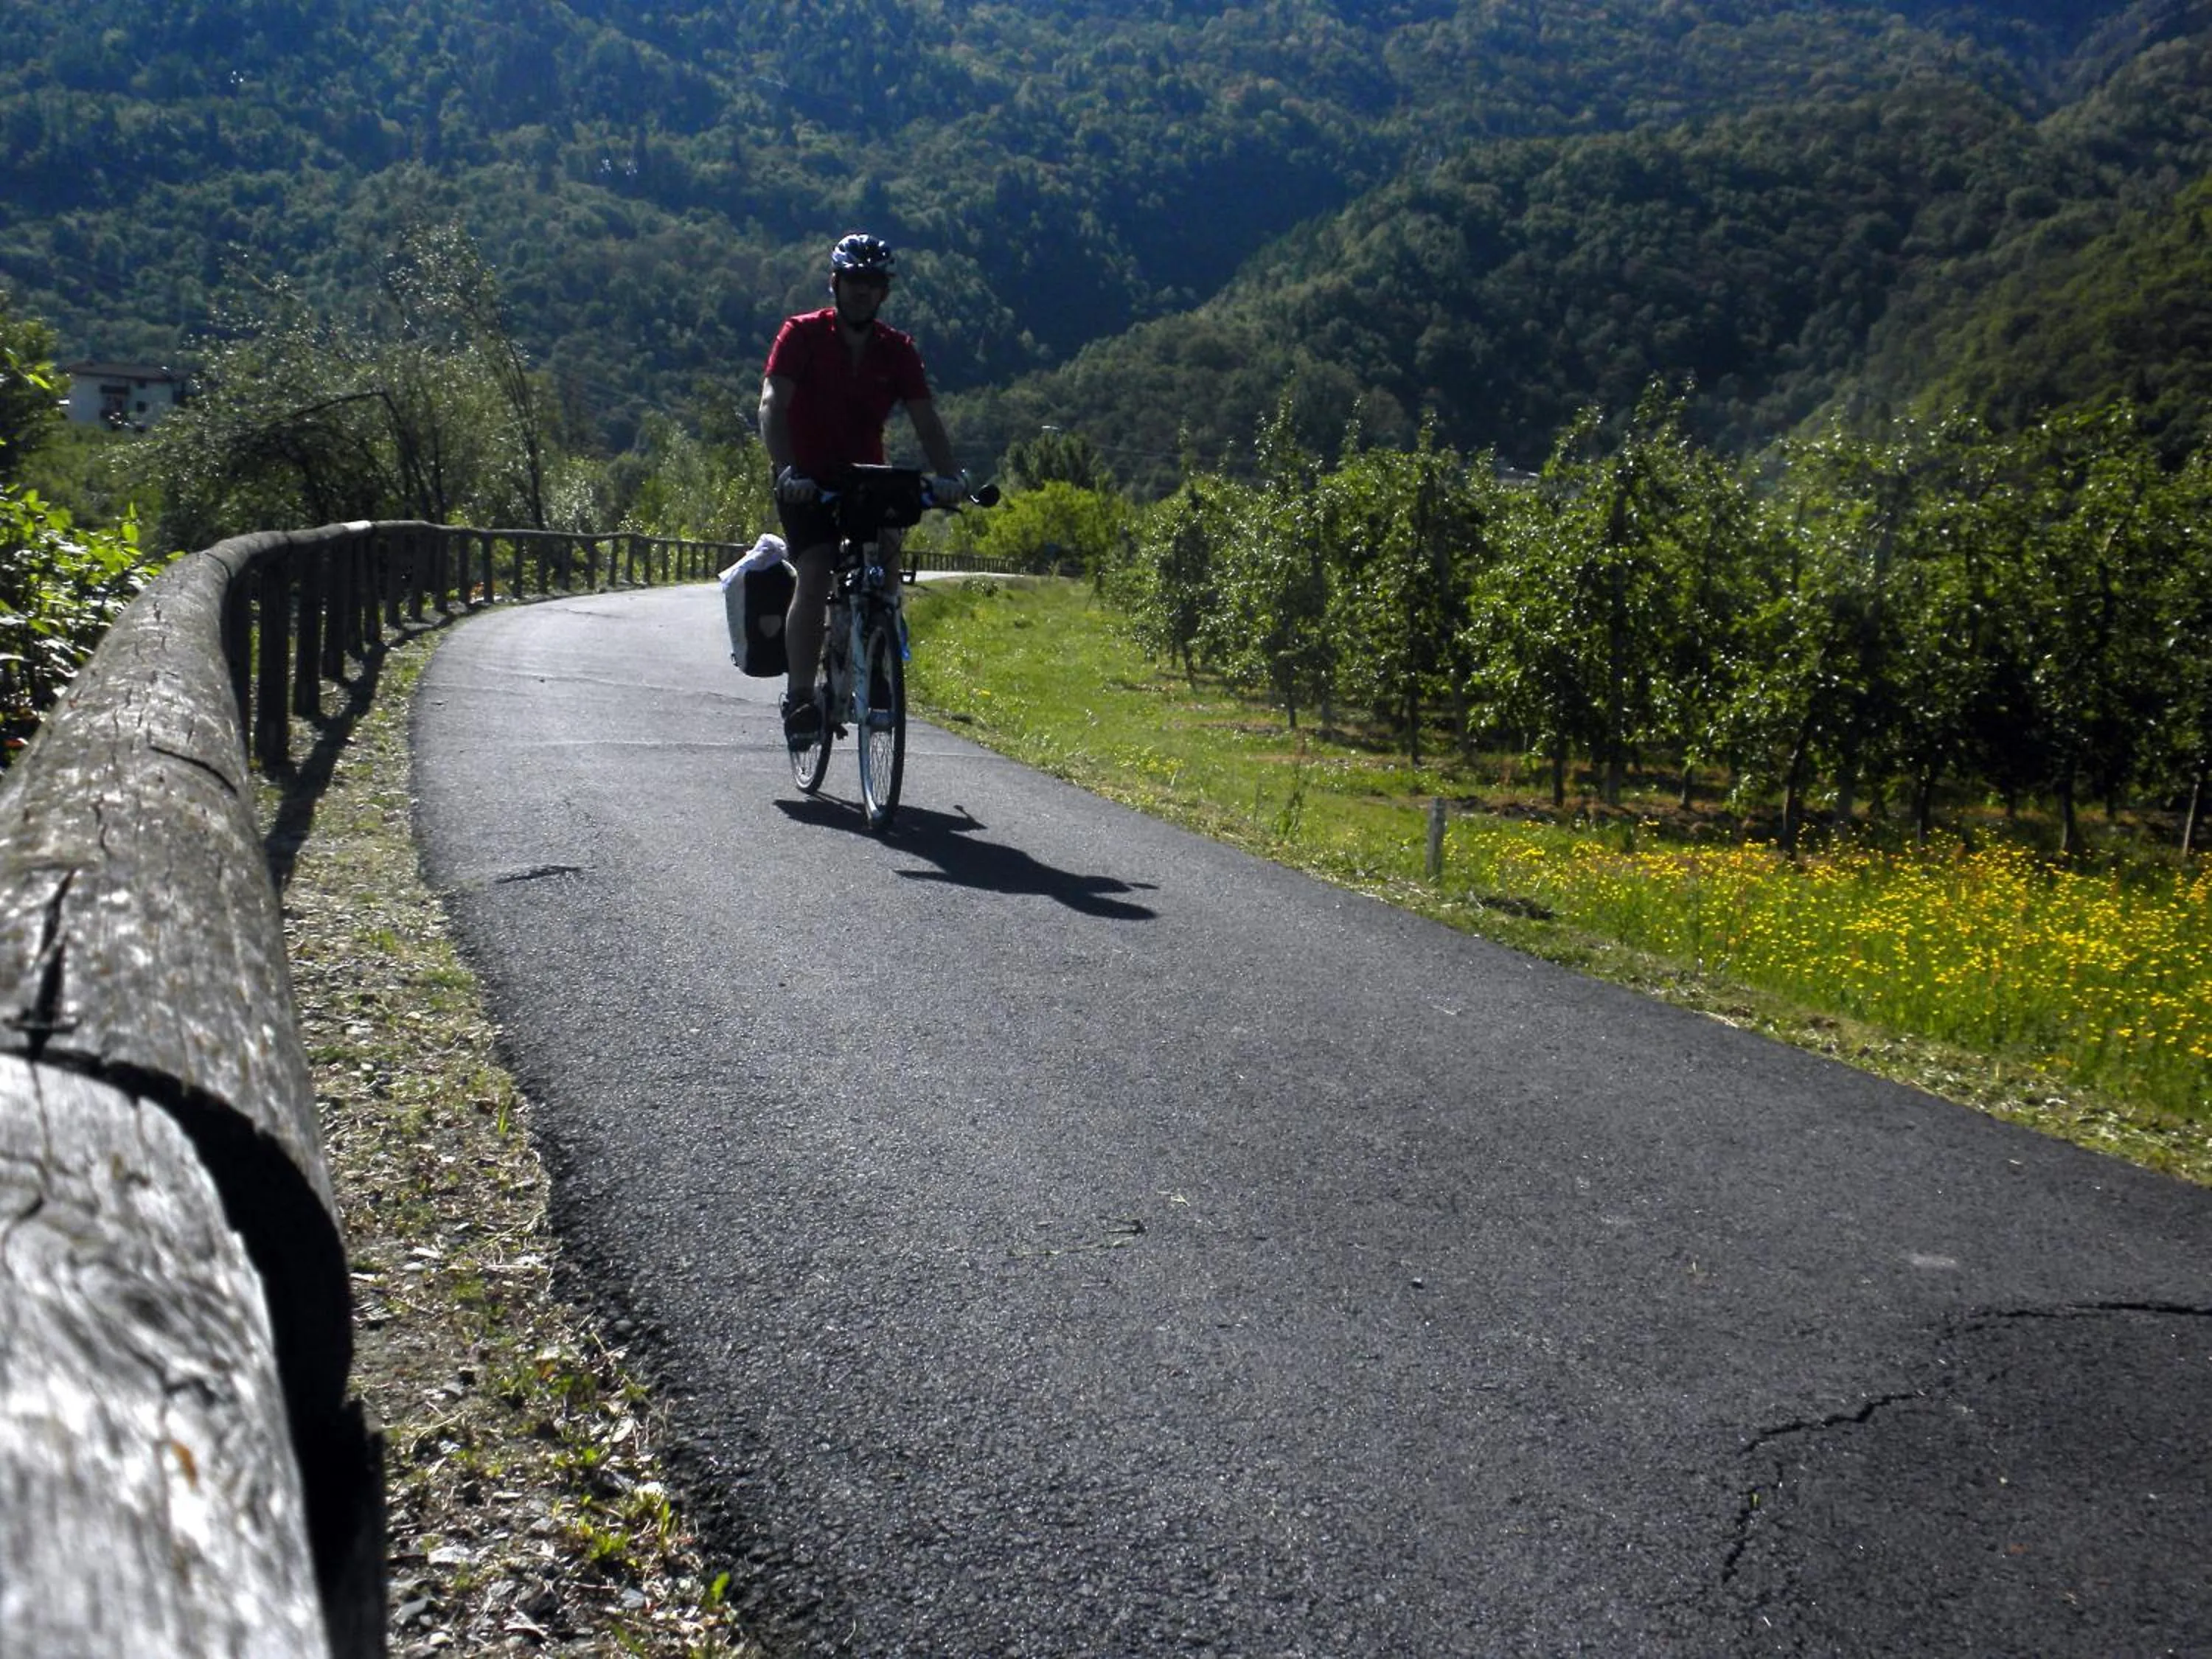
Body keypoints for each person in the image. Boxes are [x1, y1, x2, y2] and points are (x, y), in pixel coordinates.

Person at [759, 232, 967, 745]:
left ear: (883, 293)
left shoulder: (897, 351)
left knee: (887, 573)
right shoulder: (801, 335)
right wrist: (787, 472)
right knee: (813, 572)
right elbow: (771, 405)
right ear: (836, 283)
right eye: (853, 280)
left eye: (872, 283)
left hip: (867, 480)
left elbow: (926, 419)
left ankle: (877, 664)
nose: (862, 291)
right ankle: (802, 696)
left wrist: (950, 478)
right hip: (805, 479)